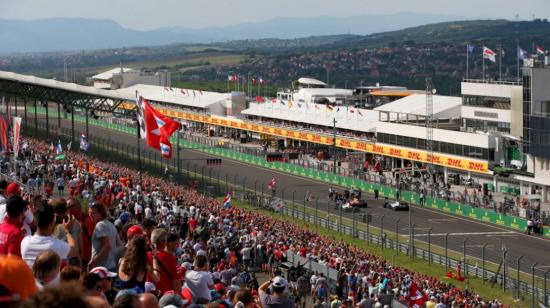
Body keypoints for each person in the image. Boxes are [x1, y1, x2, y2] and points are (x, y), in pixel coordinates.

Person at [21, 202, 77, 267]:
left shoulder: (25, 242)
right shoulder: (57, 245)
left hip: (29, 277)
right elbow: (75, 250)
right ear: (52, 221)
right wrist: (67, 231)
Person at [147, 228, 180, 295]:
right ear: (165, 242)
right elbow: (175, 282)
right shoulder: (169, 257)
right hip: (166, 295)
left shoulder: (145, 255)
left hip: (150, 294)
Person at [89, 202, 121, 271]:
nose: (91, 215)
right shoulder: (111, 225)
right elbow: (119, 245)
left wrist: (93, 262)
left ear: (101, 214)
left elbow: (107, 246)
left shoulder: (100, 225)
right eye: (90, 212)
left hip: (102, 267)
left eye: (93, 213)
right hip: (112, 265)